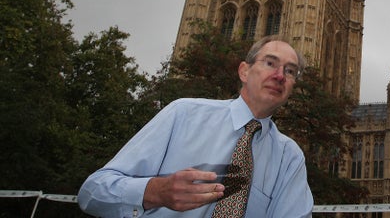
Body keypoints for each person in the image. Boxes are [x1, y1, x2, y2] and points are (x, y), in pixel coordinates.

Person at [78, 35, 314, 217]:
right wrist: (155, 191)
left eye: (290, 71)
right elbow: (92, 193)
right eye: (270, 63)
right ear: (244, 71)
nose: (280, 75)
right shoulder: (184, 114)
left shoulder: (289, 157)